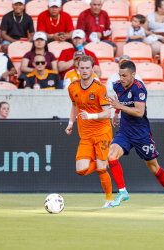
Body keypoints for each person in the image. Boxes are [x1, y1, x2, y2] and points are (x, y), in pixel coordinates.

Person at [107, 60, 164, 212]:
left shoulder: (139, 88)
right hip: (125, 132)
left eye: (124, 75)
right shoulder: (117, 85)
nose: (121, 78)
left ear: (133, 75)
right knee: (111, 156)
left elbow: (139, 112)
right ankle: (122, 192)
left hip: (141, 134)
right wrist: (117, 113)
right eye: (120, 75)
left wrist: (119, 107)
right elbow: (120, 98)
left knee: (154, 168)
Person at [65, 55, 114, 209]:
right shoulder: (72, 87)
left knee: (100, 169)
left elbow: (108, 113)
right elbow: (75, 106)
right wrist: (70, 123)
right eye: (82, 68)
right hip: (85, 134)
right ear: (77, 69)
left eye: (88, 68)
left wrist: (91, 115)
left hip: (102, 132)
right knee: (81, 170)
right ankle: (102, 162)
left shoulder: (100, 88)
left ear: (93, 69)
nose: (85, 71)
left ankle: (109, 199)